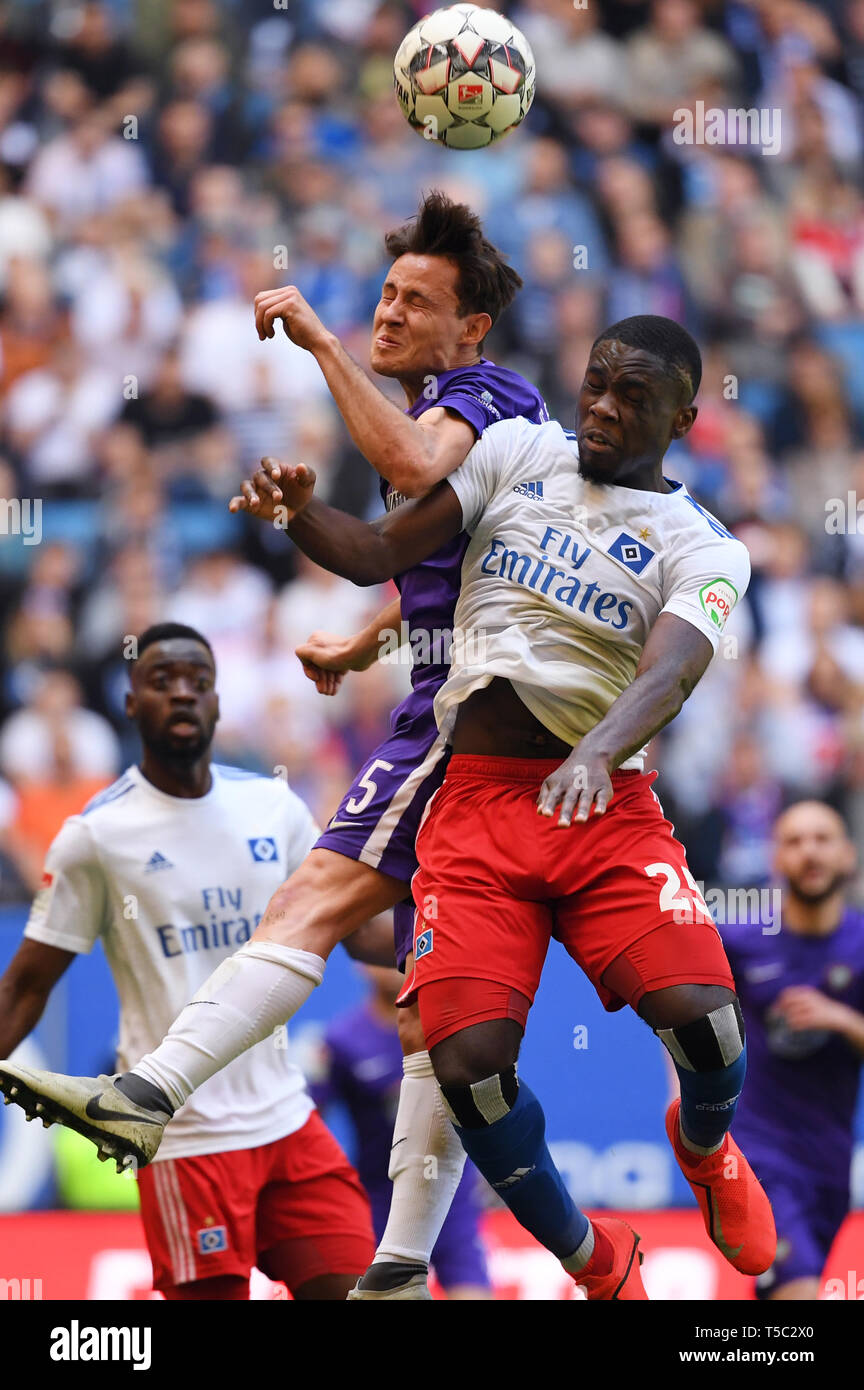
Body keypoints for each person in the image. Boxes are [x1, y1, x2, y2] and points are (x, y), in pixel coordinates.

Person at [0, 315, 777, 1299]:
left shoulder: (703, 543)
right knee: (471, 1072)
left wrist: (596, 747)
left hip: (604, 801)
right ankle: (593, 1260)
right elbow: (379, 553)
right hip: (479, 806)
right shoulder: (517, 451)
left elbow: (671, 668)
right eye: (596, 383)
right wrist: (298, 515)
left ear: (686, 419)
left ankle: (705, 1151)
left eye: (633, 397)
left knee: (710, 1034)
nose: (604, 408)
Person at [0, 191, 547, 1303]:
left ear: (472, 328)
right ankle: (418, 1255)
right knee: (433, 1008)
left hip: (466, 726)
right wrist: (358, 628)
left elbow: (403, 468)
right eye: (385, 295)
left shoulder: (473, 402)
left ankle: (148, 1090)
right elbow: (424, 560)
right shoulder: (101, 831)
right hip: (496, 720)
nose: (391, 313)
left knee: (309, 904)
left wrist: (322, 342)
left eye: (417, 302)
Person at [0, 623, 377, 1300]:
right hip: (185, 1140)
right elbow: (27, 987)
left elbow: (358, 933)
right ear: (130, 704)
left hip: (288, 1120)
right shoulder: (96, 837)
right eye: (162, 682)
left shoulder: (274, 808)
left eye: (197, 684)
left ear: (219, 703)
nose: (182, 695)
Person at [720, 800, 864, 1300]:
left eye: (822, 839)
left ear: (848, 855)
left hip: (829, 1161)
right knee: (799, 1292)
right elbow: (677, 1009)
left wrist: (842, 1019)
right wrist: (684, 1093)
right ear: (776, 860)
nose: (809, 852)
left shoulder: (861, 943)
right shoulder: (738, 940)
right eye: (794, 841)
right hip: (758, 1153)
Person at [314, 964, 493, 1300]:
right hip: (380, 1195)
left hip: (450, 1189)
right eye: (382, 954)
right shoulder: (341, 1039)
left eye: (400, 953)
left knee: (471, 1288)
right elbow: (311, 1115)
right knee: (376, 1291)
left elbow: (489, 1102)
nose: (392, 964)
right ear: (361, 961)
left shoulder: (451, 1028)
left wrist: (496, 1165)